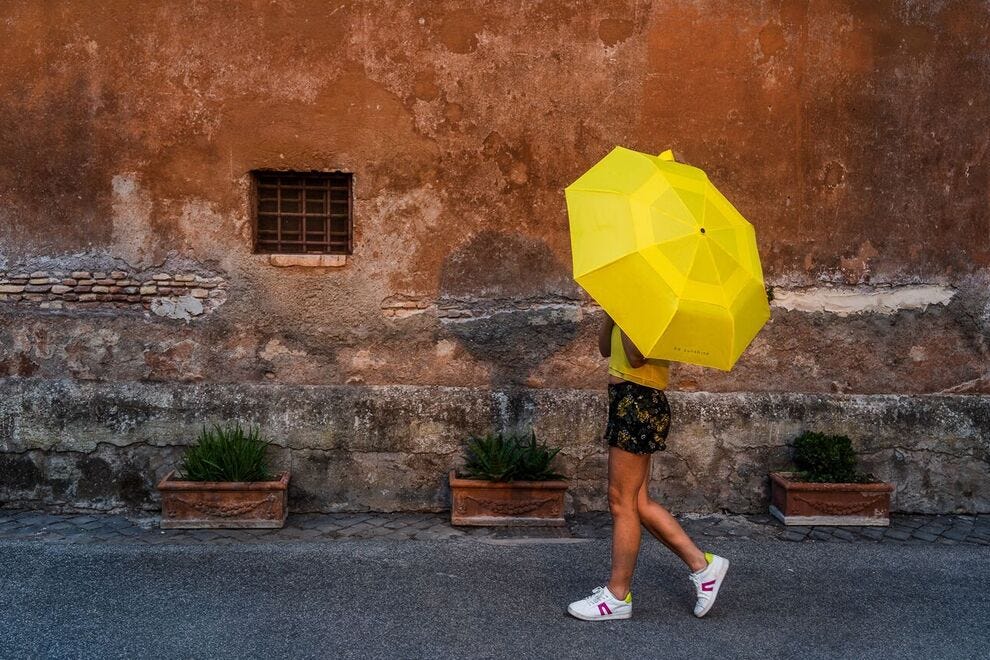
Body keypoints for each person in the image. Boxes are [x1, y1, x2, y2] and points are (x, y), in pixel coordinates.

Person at [567, 313, 729, 621]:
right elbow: (605, 349)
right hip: (626, 399)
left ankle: (617, 595)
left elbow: (637, 356)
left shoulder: (654, 308)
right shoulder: (632, 305)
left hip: (637, 402)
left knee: (621, 502)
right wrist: (612, 312)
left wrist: (628, 311)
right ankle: (703, 566)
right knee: (637, 502)